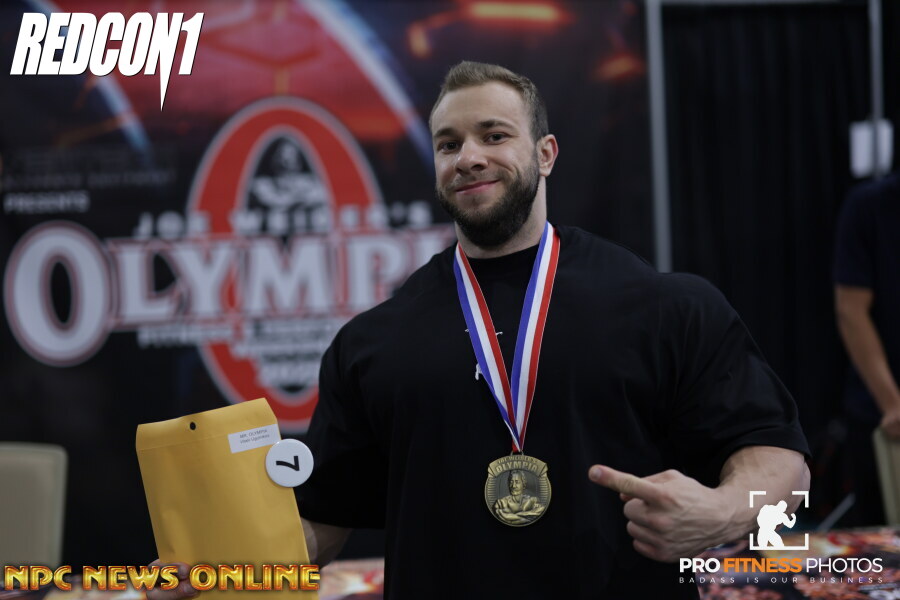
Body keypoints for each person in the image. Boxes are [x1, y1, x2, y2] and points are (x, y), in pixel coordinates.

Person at [151, 61, 809, 599]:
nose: (469, 157)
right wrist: (222, 573)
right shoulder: (373, 343)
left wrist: (723, 513)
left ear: (545, 154)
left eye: (494, 135)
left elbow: (783, 462)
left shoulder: (664, 306)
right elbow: (322, 525)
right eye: (449, 144)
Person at [834, 172, 900, 526]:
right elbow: (851, 309)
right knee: (880, 542)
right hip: (882, 413)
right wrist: (892, 403)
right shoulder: (871, 205)